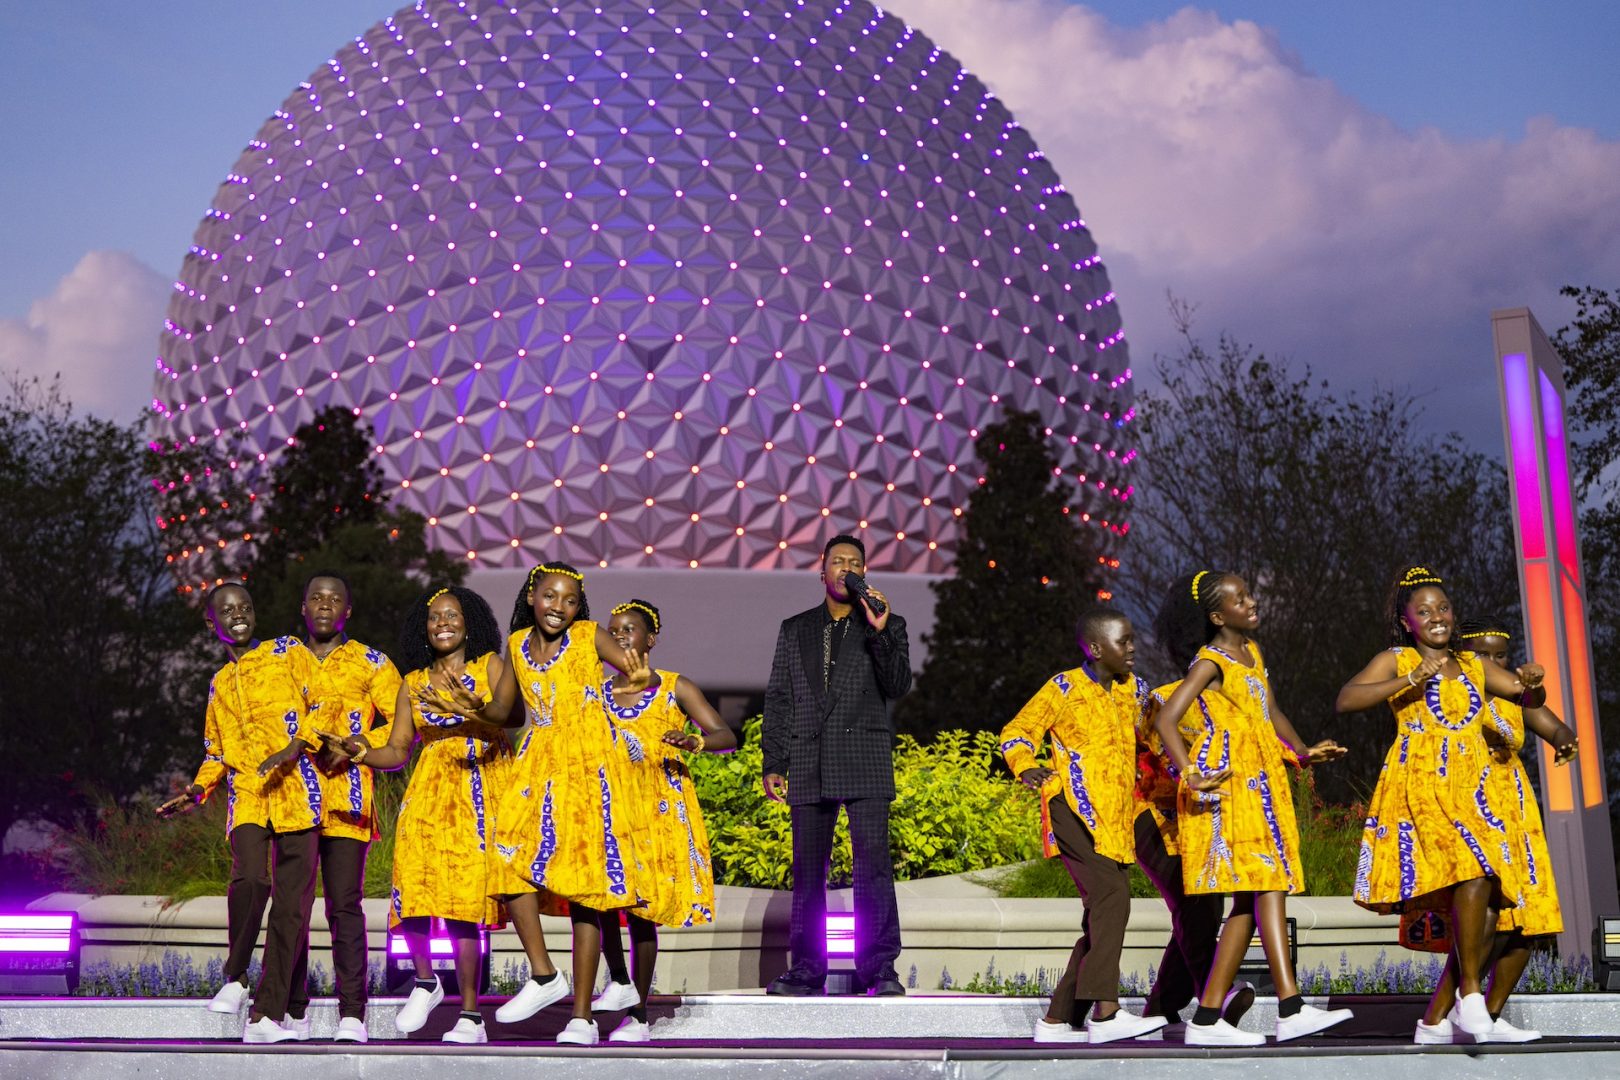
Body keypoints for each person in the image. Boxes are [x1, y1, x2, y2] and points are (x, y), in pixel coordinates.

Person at [442, 562, 652, 1046]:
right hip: (537, 759)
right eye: (551, 597)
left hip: (587, 763)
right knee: (508, 859)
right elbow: (506, 711)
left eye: (570, 599)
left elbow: (634, 674)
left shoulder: (587, 635)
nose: (560, 607)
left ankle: (582, 1017)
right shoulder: (515, 643)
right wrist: (471, 708)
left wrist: (633, 680)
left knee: (583, 890)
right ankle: (542, 974)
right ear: (533, 597)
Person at [1335, 566, 1547, 1042]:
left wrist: (1533, 680)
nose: (1437, 617)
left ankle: (1436, 1021)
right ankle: (1471, 999)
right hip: (1422, 782)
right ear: (1407, 620)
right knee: (1474, 872)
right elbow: (1347, 699)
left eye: (1444, 608)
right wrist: (1410, 677)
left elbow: (1526, 694)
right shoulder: (1395, 658)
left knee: (1491, 900)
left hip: (1473, 790)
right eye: (1424, 611)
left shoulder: (1472, 664)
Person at [1154, 571, 1351, 1046]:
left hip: (1264, 780)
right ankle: (1291, 1006)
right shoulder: (1210, 661)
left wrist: (1303, 751)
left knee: (1250, 898)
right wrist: (1190, 773)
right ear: (1218, 616)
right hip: (1235, 785)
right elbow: (1167, 718)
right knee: (1270, 883)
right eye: (1241, 599)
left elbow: (1270, 712)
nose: (1253, 601)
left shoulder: (1253, 654)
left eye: (1250, 594)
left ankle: (1205, 1020)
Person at [326, 585, 513, 1045]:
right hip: (429, 788)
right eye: (434, 617)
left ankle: (470, 1015)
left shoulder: (488, 666)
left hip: (479, 785)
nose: (443, 623)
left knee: (464, 902)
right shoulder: (413, 682)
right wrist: (358, 752)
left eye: (452, 615)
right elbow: (396, 748)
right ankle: (426, 981)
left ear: (469, 621)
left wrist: (470, 708)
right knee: (410, 888)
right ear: (424, 629)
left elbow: (507, 716)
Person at [155, 582, 323, 1044]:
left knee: (292, 910)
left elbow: (323, 703)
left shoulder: (286, 652)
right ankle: (235, 975)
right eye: (227, 611)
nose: (238, 615)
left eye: (245, 607)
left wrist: (294, 745)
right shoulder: (219, 684)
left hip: (298, 794)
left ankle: (267, 1017)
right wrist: (197, 789)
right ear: (212, 622)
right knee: (251, 879)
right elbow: (216, 752)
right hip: (248, 795)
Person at [999, 607, 1170, 1044]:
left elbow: (1160, 733)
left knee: (1103, 911)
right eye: (1124, 642)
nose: (1132, 648)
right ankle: (1107, 1014)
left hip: (1116, 817)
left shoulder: (1136, 690)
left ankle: (1056, 1020)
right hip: (1071, 807)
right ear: (1096, 649)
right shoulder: (1064, 687)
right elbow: (1018, 730)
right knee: (1112, 896)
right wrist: (1025, 766)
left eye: (1133, 640)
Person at [762, 534, 911, 997]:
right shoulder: (795, 628)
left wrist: (881, 630)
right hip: (808, 756)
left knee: (873, 866)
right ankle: (807, 970)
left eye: (855, 563)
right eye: (838, 561)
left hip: (864, 754)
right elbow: (780, 698)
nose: (846, 568)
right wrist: (774, 761)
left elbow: (899, 684)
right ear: (821, 570)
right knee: (808, 869)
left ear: (864, 573)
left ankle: (879, 968)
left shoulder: (885, 624)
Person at [589, 599, 738, 1043]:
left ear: (650, 639)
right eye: (613, 630)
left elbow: (726, 735)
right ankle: (618, 981)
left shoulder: (676, 687)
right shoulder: (594, 692)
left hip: (656, 811)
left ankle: (637, 1015)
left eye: (629, 629)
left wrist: (694, 741)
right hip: (607, 808)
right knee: (601, 901)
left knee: (640, 914)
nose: (619, 636)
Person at [278, 572, 402, 1044]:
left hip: (347, 799)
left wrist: (356, 744)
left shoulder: (373, 663)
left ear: (347, 610)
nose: (325, 605)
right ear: (303, 607)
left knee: (344, 907)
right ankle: (293, 1009)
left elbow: (399, 729)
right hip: (291, 799)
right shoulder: (283, 660)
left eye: (335, 599)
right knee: (292, 905)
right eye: (316, 597)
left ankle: (354, 1012)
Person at [1136, 683, 1247, 1032]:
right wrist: (1193, 771)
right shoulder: (1167, 697)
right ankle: (1216, 993)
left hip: (1196, 819)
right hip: (1149, 811)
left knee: (1205, 905)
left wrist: (1297, 754)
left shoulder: (1239, 703)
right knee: (1194, 901)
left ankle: (1160, 1007)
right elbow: (1154, 748)